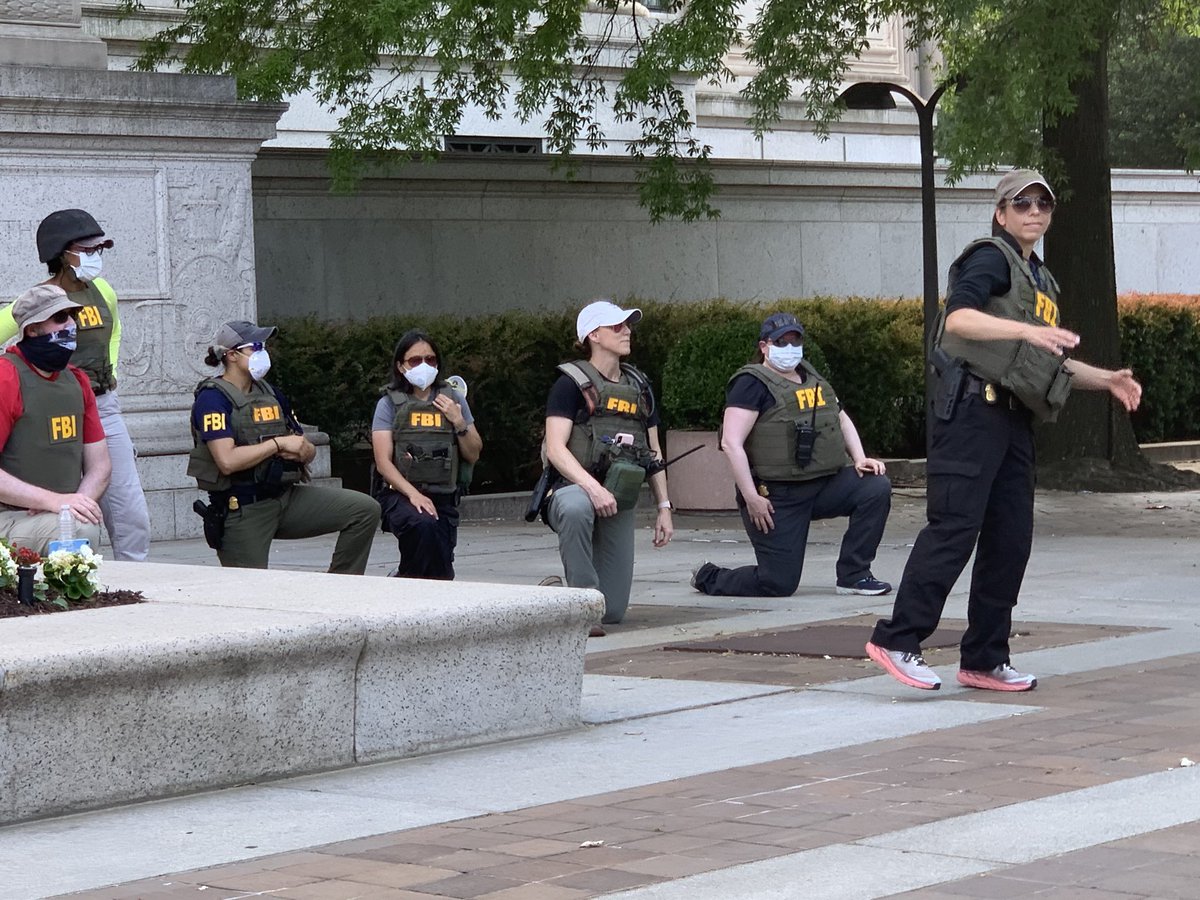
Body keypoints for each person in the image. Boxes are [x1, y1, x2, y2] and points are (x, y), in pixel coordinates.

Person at [866, 170, 1143, 693]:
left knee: (1010, 540)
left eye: (1043, 204)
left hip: (1013, 419)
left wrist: (1107, 379)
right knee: (954, 528)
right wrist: (1026, 331)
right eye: (1022, 203)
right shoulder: (990, 258)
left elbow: (1048, 360)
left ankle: (984, 658)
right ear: (1001, 213)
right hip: (972, 412)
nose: (1034, 211)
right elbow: (958, 320)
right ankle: (898, 638)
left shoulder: (1040, 278)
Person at [690, 312, 892, 599]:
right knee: (777, 583)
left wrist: (860, 458)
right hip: (777, 497)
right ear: (764, 346)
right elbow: (731, 443)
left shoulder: (811, 376)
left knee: (875, 486)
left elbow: (840, 416)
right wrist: (752, 498)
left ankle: (854, 575)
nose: (790, 348)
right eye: (781, 342)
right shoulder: (751, 383)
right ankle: (708, 576)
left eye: (795, 341)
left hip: (823, 484)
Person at [0, 210, 152, 560]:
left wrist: (110, 374)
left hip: (99, 402)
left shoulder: (103, 291)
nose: (95, 255)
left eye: (99, 248)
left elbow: (114, 331)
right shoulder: (37, 300)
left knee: (130, 510)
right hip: (43, 402)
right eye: (86, 249)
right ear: (62, 253)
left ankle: (134, 574)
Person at [187, 320, 381, 573]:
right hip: (244, 507)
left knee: (364, 511)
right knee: (251, 592)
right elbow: (227, 461)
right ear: (232, 355)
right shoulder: (212, 399)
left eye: (264, 346)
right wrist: (277, 444)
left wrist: (303, 451)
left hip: (285, 496)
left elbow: (304, 446)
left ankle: (339, 586)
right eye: (256, 347)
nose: (263, 353)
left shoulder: (270, 393)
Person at [542, 300, 674, 636]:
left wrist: (664, 507)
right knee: (575, 507)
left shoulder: (639, 386)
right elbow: (555, 449)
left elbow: (654, 451)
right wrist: (593, 488)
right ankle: (583, 609)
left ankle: (551, 598)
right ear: (594, 335)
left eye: (627, 325)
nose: (627, 331)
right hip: (573, 490)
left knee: (612, 611)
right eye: (617, 326)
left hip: (619, 497)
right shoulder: (570, 384)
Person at [0, 284, 111, 553]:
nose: (71, 325)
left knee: (80, 524)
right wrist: (53, 502)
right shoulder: (6, 377)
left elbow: (100, 466)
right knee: (79, 530)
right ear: (32, 329)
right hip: (9, 516)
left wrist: (73, 507)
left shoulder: (77, 380)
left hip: (52, 516)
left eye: (72, 315)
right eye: (60, 318)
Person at [371, 330, 482, 579]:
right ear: (400, 366)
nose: (424, 365)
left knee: (441, 573)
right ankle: (406, 581)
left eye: (430, 360)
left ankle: (403, 579)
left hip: (444, 495)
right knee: (423, 525)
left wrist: (458, 421)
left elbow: (473, 454)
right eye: (415, 360)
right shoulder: (388, 404)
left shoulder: (453, 400)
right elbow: (383, 462)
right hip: (401, 495)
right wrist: (414, 495)